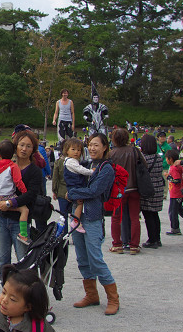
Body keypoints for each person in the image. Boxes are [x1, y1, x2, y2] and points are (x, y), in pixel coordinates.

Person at [67, 133, 120, 315]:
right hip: (78, 217)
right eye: (90, 144)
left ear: (105, 147)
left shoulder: (107, 169)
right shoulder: (87, 165)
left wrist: (73, 193)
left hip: (93, 218)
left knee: (96, 259)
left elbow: (94, 190)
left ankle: (113, 299)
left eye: (96, 145)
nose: (92, 148)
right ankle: (92, 295)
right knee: (82, 258)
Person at [0, 131, 42, 271]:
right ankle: (7, 290)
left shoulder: (35, 171)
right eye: (21, 145)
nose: (24, 149)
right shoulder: (5, 166)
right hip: (2, 219)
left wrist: (10, 204)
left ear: (33, 149)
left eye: (28, 146)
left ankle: (26, 292)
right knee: (3, 260)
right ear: (15, 146)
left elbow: (31, 195)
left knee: (24, 259)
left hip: (19, 221)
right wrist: (0, 203)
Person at [109, 127, 147, 255]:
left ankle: (117, 244)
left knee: (116, 217)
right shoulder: (134, 151)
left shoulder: (112, 154)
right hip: (134, 187)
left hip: (119, 189)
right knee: (135, 217)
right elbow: (144, 165)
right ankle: (134, 245)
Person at [0, 139, 29, 245]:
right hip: (7, 195)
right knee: (24, 210)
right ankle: (23, 234)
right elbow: (18, 182)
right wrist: (25, 192)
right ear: (13, 153)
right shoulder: (12, 166)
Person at [139, 134, 165, 248]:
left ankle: (152, 239)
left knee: (148, 214)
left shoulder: (144, 158)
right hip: (158, 187)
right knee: (155, 214)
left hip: (148, 187)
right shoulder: (158, 157)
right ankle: (157, 238)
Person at [63, 138, 94, 233]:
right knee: (80, 203)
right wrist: (92, 172)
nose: (76, 152)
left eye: (79, 150)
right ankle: (76, 221)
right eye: (73, 149)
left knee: (77, 204)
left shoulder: (69, 161)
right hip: (75, 186)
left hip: (74, 186)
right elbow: (81, 170)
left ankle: (75, 219)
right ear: (67, 150)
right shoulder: (71, 162)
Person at [165, 150, 183, 235]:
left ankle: (175, 228)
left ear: (170, 159)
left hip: (176, 193)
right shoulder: (179, 167)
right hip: (179, 193)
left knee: (172, 211)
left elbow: (177, 180)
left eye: (167, 158)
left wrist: (168, 177)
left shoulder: (173, 168)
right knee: (181, 210)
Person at [51, 143, 70, 232]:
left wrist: (54, 190)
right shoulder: (75, 162)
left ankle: (64, 234)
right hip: (73, 191)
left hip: (61, 191)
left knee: (63, 215)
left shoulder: (59, 161)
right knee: (75, 216)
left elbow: (55, 178)